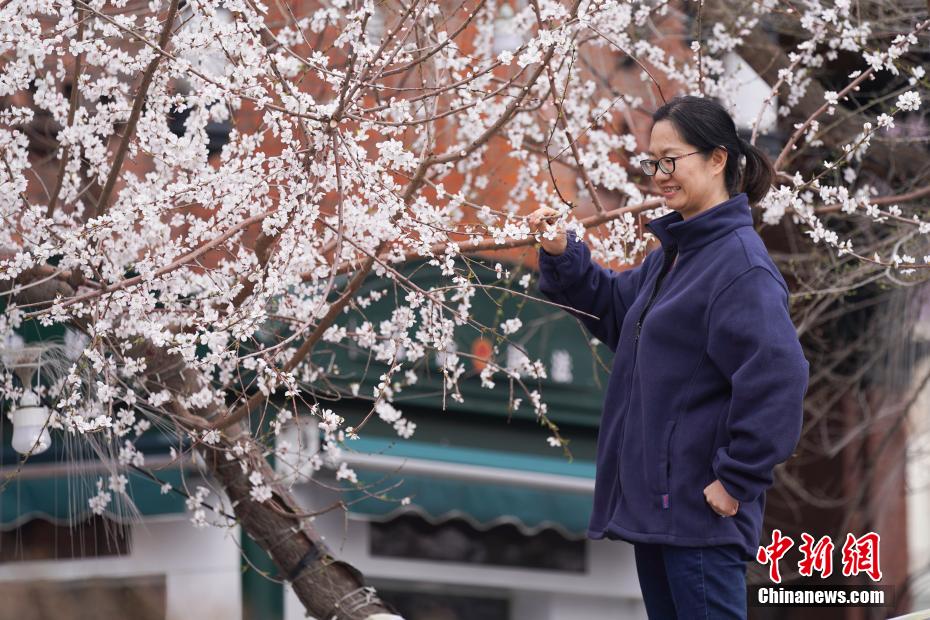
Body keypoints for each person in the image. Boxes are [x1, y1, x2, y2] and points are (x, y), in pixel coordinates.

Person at [528, 95, 810, 619]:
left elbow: (779, 378)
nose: (658, 174)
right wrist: (560, 251)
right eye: (651, 162)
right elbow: (615, 310)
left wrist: (735, 482)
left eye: (670, 159)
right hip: (661, 513)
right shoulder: (676, 257)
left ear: (718, 158)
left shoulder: (739, 266)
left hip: (701, 518)